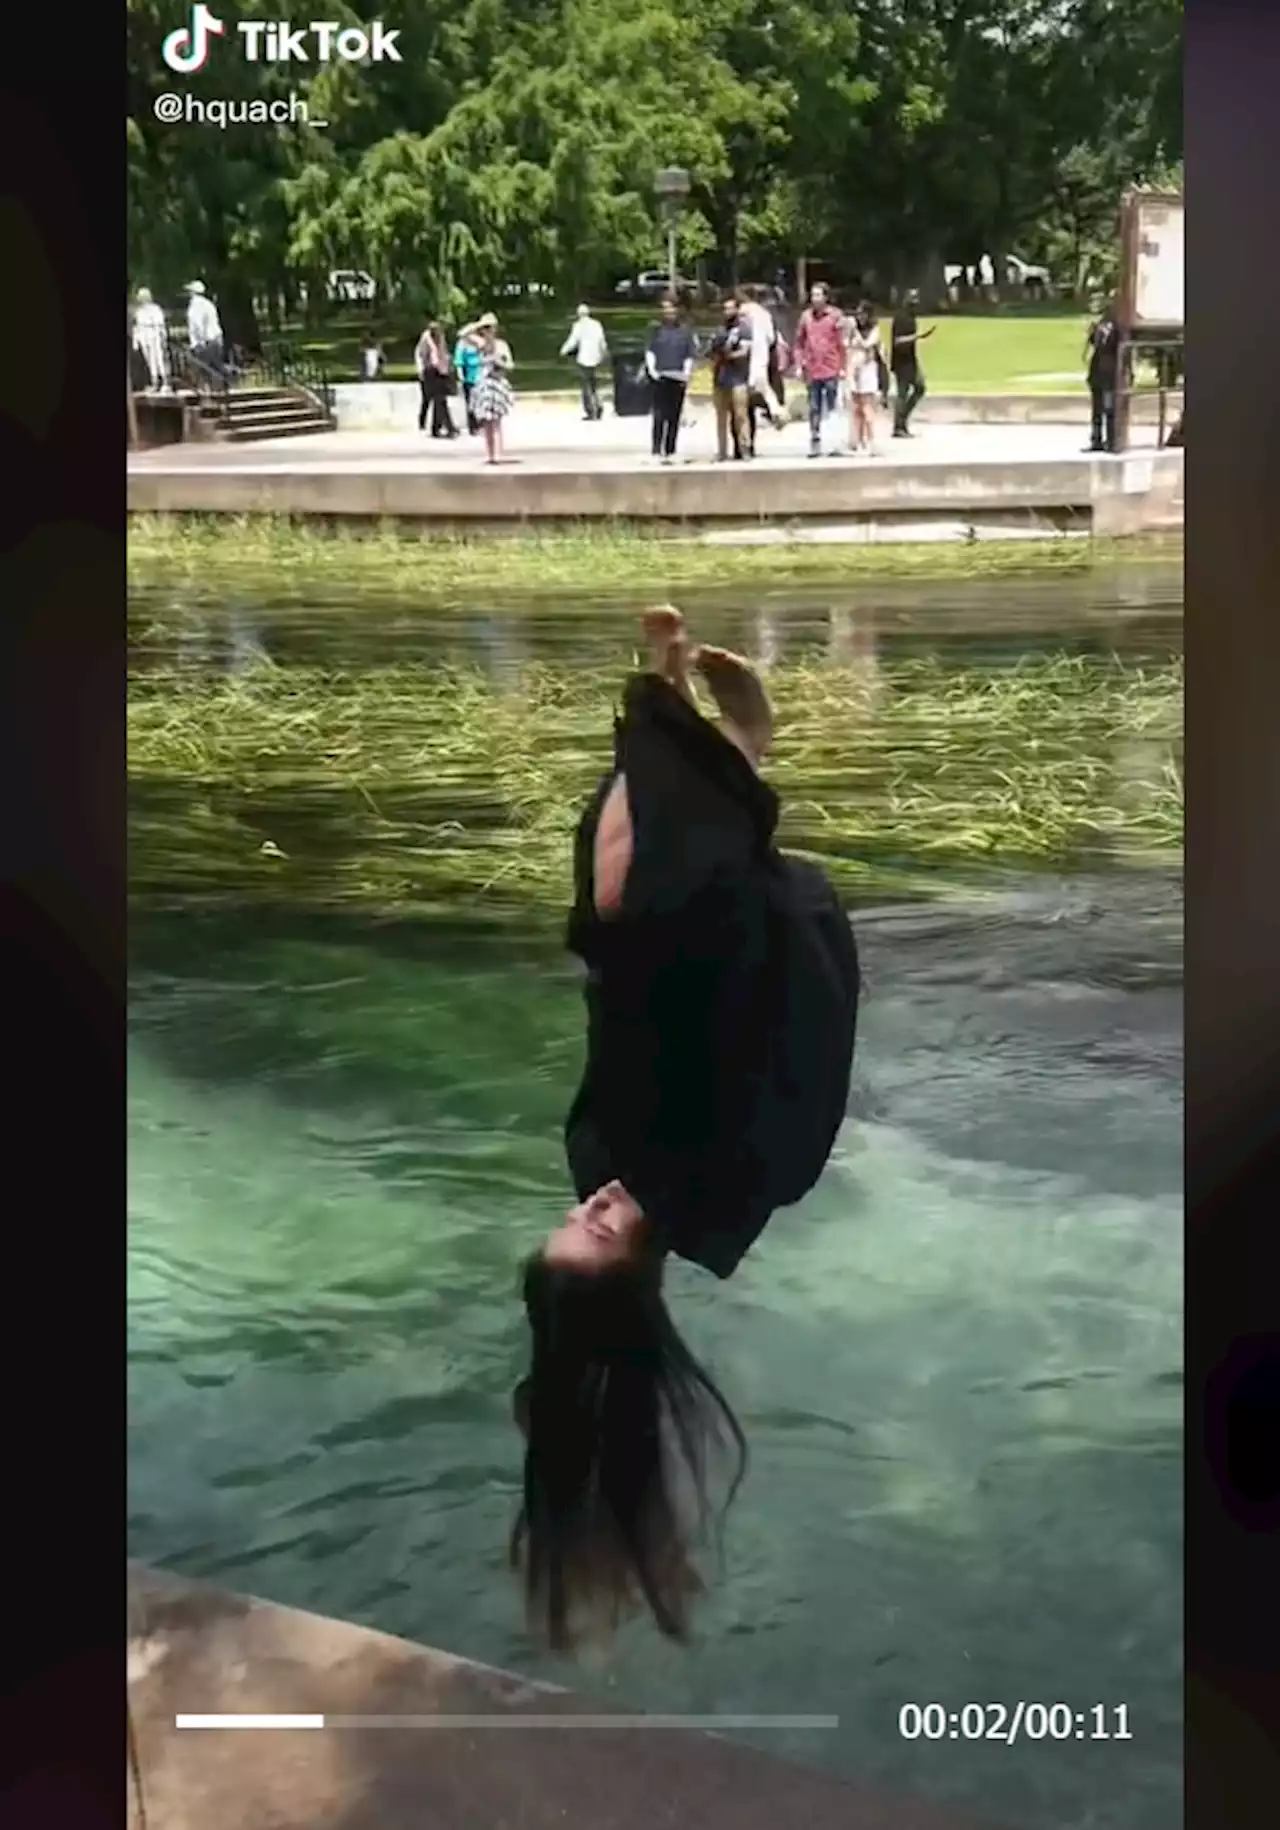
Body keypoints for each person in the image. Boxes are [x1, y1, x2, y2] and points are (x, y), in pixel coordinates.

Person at [511, 606, 861, 1651]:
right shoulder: (744, 1178)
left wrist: (608, 962)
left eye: (573, 1216)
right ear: (639, 1274)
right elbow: (808, 1047)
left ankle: (668, 709)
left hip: (646, 964)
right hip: (736, 955)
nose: (596, 1203)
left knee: (610, 897)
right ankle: (729, 742)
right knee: (645, 887)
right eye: (604, 1230)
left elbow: (605, 1032)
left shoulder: (599, 1160)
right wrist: (786, 919)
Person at [793, 281, 845, 458]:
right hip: (812, 368)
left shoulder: (835, 316)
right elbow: (799, 343)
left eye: (818, 295)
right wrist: (799, 365)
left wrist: (843, 367)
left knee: (832, 406)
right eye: (812, 295)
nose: (814, 299)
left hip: (831, 367)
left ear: (826, 297)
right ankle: (815, 441)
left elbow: (841, 344)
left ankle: (834, 442)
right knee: (814, 407)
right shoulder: (806, 317)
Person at [643, 296, 697, 463]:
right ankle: (656, 450)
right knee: (659, 416)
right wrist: (652, 369)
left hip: (678, 377)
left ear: (677, 310)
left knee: (674, 416)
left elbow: (689, 354)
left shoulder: (685, 331)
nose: (668, 312)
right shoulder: (656, 330)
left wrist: (687, 372)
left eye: (671, 308)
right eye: (665, 309)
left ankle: (670, 449)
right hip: (660, 377)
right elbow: (650, 351)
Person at [461, 311, 515, 464]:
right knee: (486, 422)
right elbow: (463, 334)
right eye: (486, 328)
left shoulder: (501, 346)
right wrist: (477, 325)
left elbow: (510, 365)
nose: (488, 331)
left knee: (496, 421)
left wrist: (501, 363)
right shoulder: (481, 344)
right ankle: (490, 454)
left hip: (497, 383)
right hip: (484, 384)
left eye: (490, 328)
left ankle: (497, 454)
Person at [708, 296, 753, 461]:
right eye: (725, 308)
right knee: (721, 417)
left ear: (737, 309)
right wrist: (715, 356)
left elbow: (745, 351)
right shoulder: (719, 331)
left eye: (730, 308)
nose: (727, 312)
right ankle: (721, 451)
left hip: (738, 377)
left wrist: (729, 355)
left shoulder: (744, 329)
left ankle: (745, 448)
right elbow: (711, 352)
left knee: (741, 415)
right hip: (720, 377)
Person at [739, 286, 784, 435]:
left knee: (745, 399)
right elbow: (771, 338)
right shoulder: (765, 314)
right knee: (763, 387)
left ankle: (746, 439)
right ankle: (776, 410)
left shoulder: (742, 312)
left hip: (743, 357)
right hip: (762, 355)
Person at [889, 287, 934, 438]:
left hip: (910, 360)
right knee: (902, 393)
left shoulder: (911, 316)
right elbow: (897, 341)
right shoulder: (901, 317)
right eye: (913, 299)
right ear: (906, 299)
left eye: (917, 299)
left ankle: (902, 420)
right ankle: (898, 427)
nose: (916, 302)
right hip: (901, 362)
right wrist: (918, 336)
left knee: (920, 388)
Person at [845, 301, 884, 455]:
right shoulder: (853, 331)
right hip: (854, 370)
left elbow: (867, 345)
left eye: (863, 314)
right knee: (856, 409)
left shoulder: (875, 330)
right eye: (858, 314)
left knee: (867, 407)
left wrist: (855, 331)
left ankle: (871, 442)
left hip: (868, 370)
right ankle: (857, 441)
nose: (860, 317)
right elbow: (846, 346)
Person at [560, 304, 609, 422]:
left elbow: (573, 341)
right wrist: (604, 353)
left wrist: (563, 350)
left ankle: (591, 410)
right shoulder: (596, 324)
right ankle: (599, 405)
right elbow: (602, 340)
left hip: (584, 358)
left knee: (586, 385)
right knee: (593, 383)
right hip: (596, 357)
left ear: (579, 314)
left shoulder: (578, 326)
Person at [1084, 299, 1120, 453]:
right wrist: (1092, 332)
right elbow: (1094, 344)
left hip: (1110, 373)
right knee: (1097, 409)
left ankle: (1112, 441)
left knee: (1109, 408)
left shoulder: (1118, 327)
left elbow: (1113, 345)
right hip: (1097, 372)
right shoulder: (1100, 325)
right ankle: (1096, 439)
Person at [414, 321, 459, 437]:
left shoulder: (441, 338)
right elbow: (420, 354)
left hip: (440, 371)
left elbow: (443, 352)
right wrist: (420, 369)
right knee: (432, 399)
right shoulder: (426, 338)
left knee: (440, 400)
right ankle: (442, 426)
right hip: (429, 371)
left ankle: (442, 427)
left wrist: (447, 366)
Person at [183, 280, 225, 381]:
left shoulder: (194, 306)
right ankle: (223, 388)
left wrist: (200, 342)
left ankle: (209, 391)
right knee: (216, 366)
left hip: (205, 342)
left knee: (204, 370)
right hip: (216, 338)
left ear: (192, 292)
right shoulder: (209, 304)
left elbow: (198, 325)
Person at [131, 287, 170, 393]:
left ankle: (165, 382)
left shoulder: (155, 309)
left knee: (158, 359)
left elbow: (160, 325)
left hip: (154, 335)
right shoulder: (139, 312)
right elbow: (137, 327)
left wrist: (162, 337)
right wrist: (136, 341)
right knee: (149, 361)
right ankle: (155, 382)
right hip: (144, 337)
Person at [454, 330, 483, 434]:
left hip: (480, 375)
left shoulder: (480, 343)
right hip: (469, 377)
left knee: (481, 401)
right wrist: (460, 375)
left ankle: (481, 424)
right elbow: (459, 361)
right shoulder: (462, 345)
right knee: (471, 402)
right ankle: (473, 426)